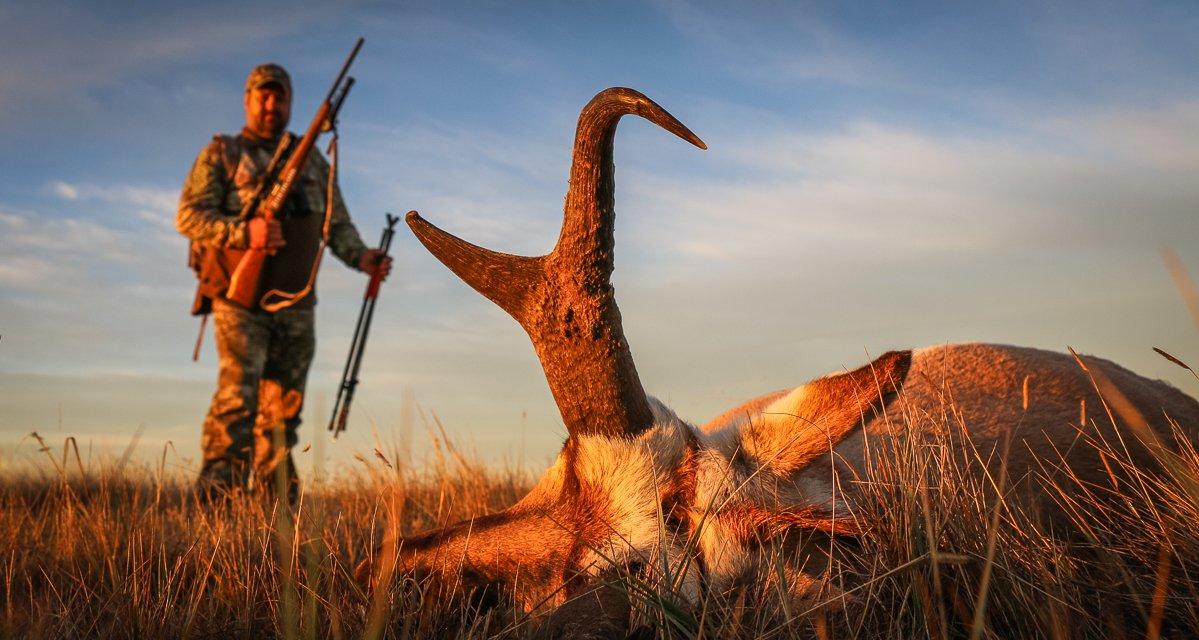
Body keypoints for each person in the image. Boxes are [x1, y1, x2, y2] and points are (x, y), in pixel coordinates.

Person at [176, 63, 391, 501]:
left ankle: (276, 510)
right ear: (248, 100)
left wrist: (364, 258)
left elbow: (337, 224)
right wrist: (244, 233)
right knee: (237, 400)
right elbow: (189, 216)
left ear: (291, 102)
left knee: (284, 410)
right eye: (264, 95)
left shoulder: (312, 158)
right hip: (240, 300)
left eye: (280, 96)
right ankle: (217, 505)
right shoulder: (222, 153)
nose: (272, 104)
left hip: (297, 302)